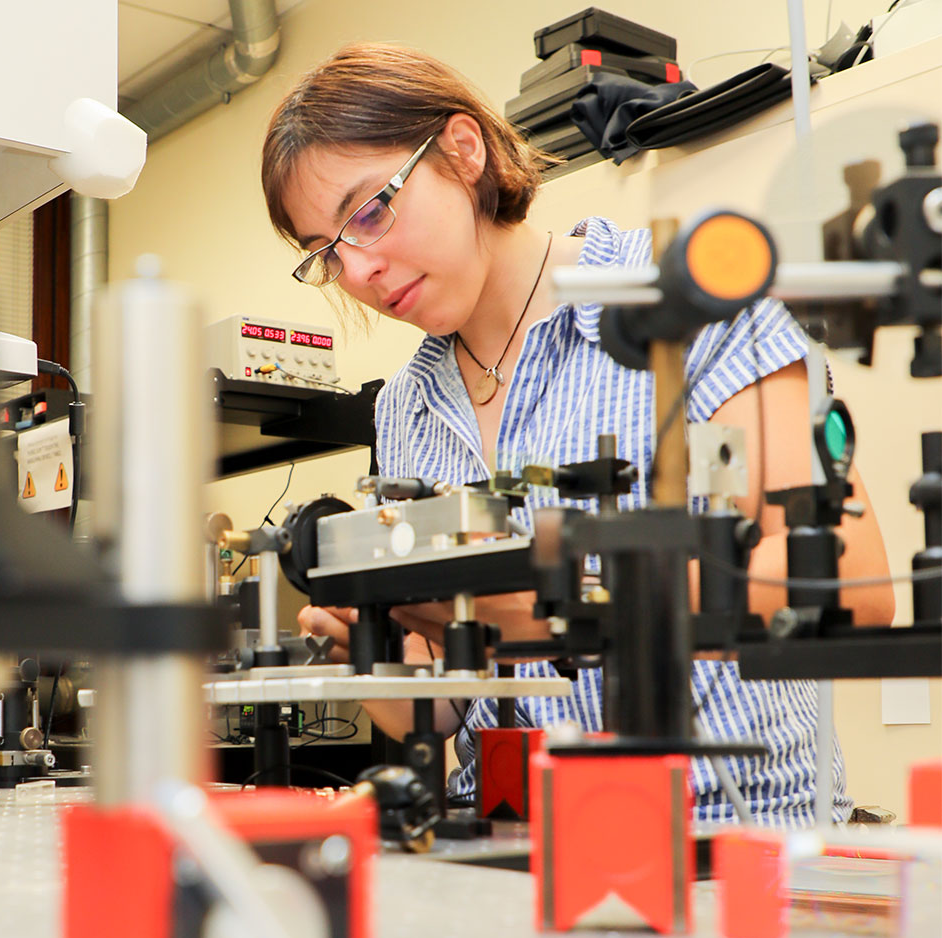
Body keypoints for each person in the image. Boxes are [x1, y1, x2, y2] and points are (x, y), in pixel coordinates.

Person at [261, 43, 894, 827]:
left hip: (727, 834)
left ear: (463, 150)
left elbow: (852, 582)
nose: (359, 272)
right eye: (327, 254)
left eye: (368, 213)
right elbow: (440, 708)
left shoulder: (693, 298)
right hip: (503, 841)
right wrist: (377, 643)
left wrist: (564, 607)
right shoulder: (404, 408)